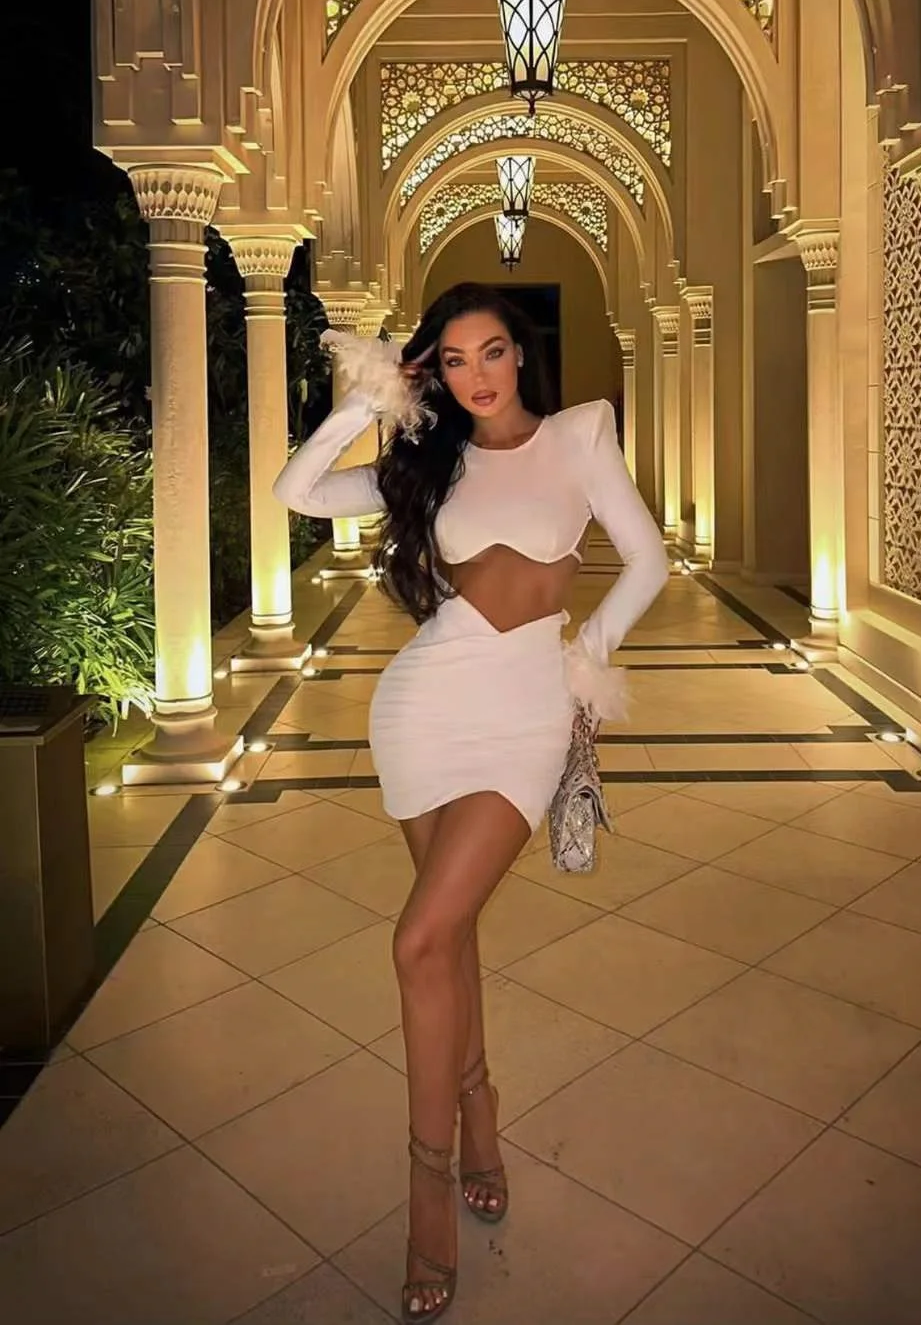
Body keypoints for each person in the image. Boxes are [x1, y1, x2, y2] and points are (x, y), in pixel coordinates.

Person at [273, 282, 668, 1322]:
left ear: (520, 353)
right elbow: (297, 491)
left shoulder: (580, 436)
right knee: (446, 938)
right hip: (422, 707)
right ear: (434, 371)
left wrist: (586, 658)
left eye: (491, 351)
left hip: (526, 713)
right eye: (453, 360)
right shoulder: (431, 459)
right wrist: (371, 399)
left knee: (419, 939)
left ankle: (427, 1185)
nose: (477, 375)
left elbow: (647, 560)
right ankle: (479, 1114)